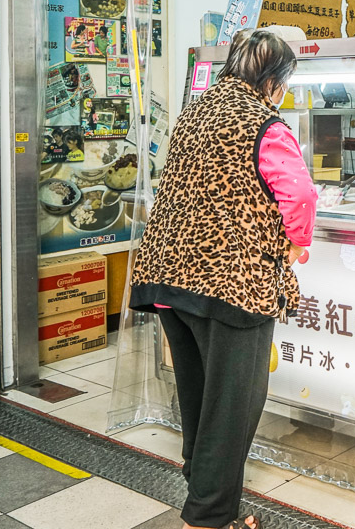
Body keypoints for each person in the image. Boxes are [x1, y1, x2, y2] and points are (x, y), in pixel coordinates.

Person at [129, 29, 316, 529]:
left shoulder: (196, 111)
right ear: (274, 82)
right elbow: (300, 198)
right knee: (231, 410)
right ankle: (207, 519)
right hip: (231, 286)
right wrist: (297, 244)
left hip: (168, 277)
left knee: (200, 397)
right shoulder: (266, 124)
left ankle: (208, 497)